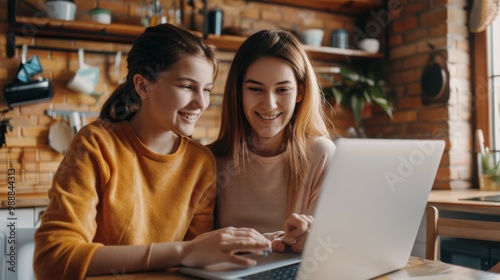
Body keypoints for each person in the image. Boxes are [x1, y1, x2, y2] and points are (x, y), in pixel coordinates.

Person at [34, 24, 270, 280]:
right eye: (186, 86)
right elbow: (53, 259)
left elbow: (196, 264)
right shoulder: (96, 144)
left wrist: (264, 243)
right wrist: (182, 252)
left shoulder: (200, 162)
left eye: (206, 89)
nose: (201, 103)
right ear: (143, 86)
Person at [208, 29, 336, 253]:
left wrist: (314, 236)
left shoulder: (321, 155)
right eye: (256, 89)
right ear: (239, 92)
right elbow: (198, 244)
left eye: (282, 89)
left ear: (300, 92)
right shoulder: (210, 160)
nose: (269, 104)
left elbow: (327, 246)